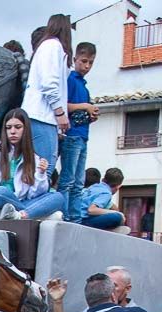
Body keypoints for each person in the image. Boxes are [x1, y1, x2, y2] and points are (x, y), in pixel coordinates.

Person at [0, 109, 65, 221]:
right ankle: (30, 214)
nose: (12, 131)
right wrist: (10, 200)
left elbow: (33, 195)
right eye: (8, 127)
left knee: (57, 197)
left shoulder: (33, 158)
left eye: (17, 127)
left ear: (25, 129)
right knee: (1, 191)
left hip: (19, 205)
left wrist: (40, 174)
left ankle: (19, 216)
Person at [22, 14, 71, 168]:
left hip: (38, 116)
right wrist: (60, 113)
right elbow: (49, 83)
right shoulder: (53, 46)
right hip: (42, 116)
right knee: (44, 169)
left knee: (37, 168)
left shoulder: (47, 46)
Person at [61, 42, 98, 223]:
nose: (87, 66)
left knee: (78, 182)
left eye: (90, 62)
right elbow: (63, 105)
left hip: (83, 136)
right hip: (72, 135)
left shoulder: (84, 86)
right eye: (84, 61)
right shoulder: (70, 81)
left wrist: (90, 114)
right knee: (68, 180)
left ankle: (75, 218)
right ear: (75, 59)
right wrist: (85, 106)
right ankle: (64, 215)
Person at [79, 167, 129, 233]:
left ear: (103, 179)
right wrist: (117, 213)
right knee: (117, 217)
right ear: (118, 187)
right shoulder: (106, 193)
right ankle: (109, 229)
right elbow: (91, 210)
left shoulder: (94, 187)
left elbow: (111, 205)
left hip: (77, 217)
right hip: (84, 221)